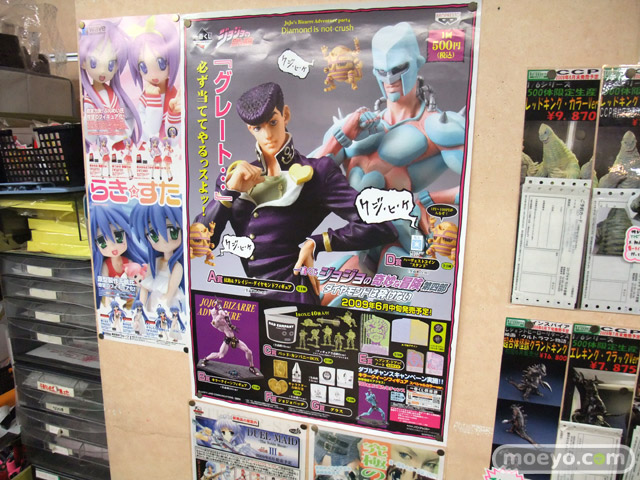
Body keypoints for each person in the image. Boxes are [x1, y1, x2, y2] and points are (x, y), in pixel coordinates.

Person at [194, 82, 397, 304]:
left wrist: (318, 243)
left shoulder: (319, 173)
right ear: (249, 129)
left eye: (273, 122)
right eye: (258, 128)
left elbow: (381, 225)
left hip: (296, 298)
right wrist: (229, 192)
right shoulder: (232, 179)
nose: (268, 135)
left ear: (286, 115)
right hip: (256, 302)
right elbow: (200, 244)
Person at [313, 22, 466, 305]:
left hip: (402, 242)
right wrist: (339, 138)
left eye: (398, 69)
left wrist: (429, 199)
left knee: (372, 319)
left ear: (417, 63)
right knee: (317, 304)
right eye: (382, 71)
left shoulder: (437, 127)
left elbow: (484, 183)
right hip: (362, 242)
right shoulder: (354, 127)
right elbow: (304, 179)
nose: (390, 79)